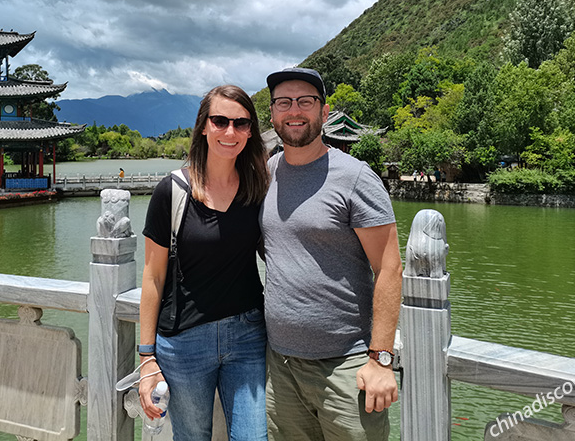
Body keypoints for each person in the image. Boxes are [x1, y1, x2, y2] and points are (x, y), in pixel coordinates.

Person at [260, 67, 403, 441]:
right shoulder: (268, 172)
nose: (294, 111)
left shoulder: (355, 177)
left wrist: (381, 359)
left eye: (305, 102)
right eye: (284, 103)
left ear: (324, 113)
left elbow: (389, 267)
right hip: (280, 366)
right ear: (273, 113)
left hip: (346, 366)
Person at [138, 85, 270, 441]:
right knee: (193, 436)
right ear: (203, 126)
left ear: (250, 131)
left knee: (253, 436)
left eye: (241, 124)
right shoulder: (173, 190)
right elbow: (153, 276)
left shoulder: (258, 189)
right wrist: (147, 358)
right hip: (185, 342)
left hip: (248, 334)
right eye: (220, 121)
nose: (231, 132)